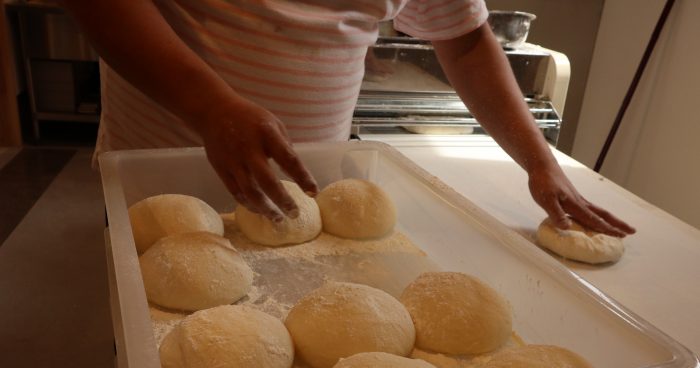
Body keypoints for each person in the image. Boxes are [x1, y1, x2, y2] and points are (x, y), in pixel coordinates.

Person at [60, 0, 634, 236]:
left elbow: (462, 39)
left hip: (307, 192)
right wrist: (209, 107)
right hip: (162, 181)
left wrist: (541, 163)